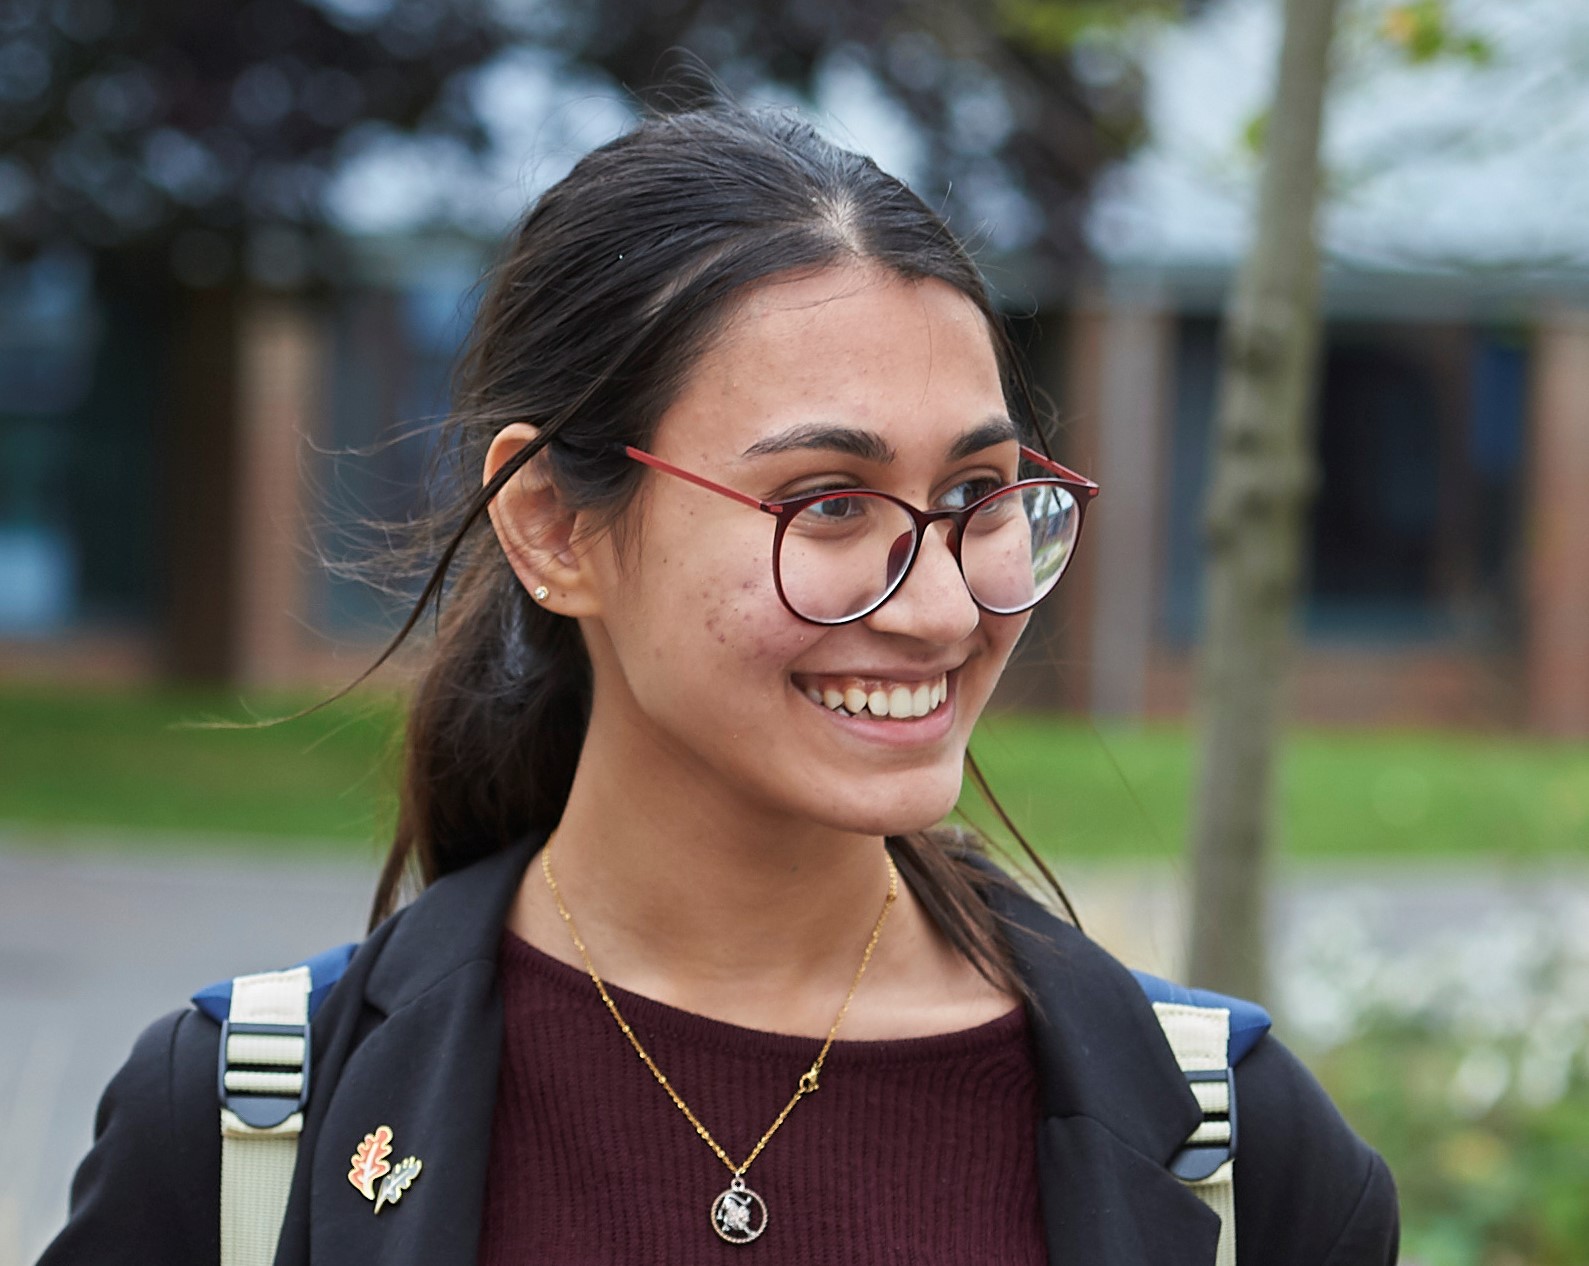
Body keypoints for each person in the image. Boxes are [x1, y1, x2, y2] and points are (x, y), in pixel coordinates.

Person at [39, 103, 1398, 1265]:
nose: (935, 606)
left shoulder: (1235, 1153)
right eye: (823, 503)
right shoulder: (235, 1127)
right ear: (554, 528)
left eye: (977, 493)